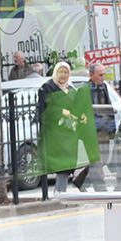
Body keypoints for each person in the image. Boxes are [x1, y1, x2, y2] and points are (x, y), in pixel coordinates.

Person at [38, 61, 98, 193]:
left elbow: (76, 107)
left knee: (69, 165)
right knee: (62, 167)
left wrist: (80, 115)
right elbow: (44, 112)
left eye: (66, 72)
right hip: (56, 135)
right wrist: (60, 113)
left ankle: (63, 192)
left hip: (69, 134)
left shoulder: (70, 89)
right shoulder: (47, 88)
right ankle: (59, 194)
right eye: (61, 72)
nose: (63, 75)